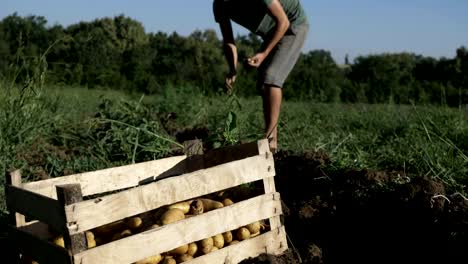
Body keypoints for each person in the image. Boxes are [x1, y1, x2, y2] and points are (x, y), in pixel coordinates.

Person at [213, 0, 309, 153]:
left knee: (271, 78)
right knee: (263, 85)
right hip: (273, 32)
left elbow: (283, 22)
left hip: (292, 25)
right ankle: (271, 142)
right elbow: (229, 41)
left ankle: (270, 140)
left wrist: (264, 54)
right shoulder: (219, 5)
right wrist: (232, 69)